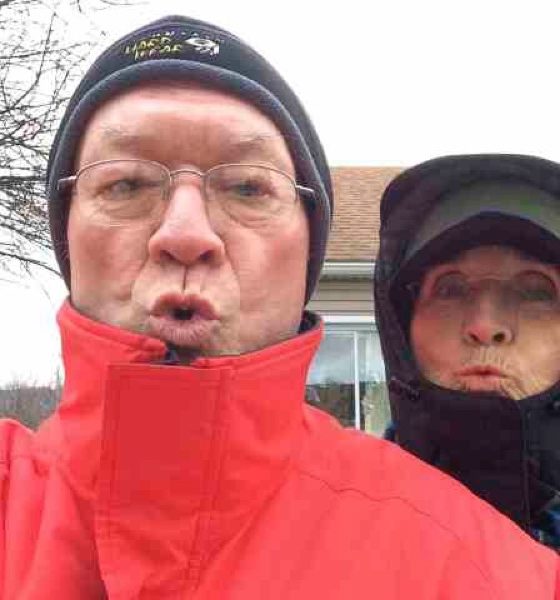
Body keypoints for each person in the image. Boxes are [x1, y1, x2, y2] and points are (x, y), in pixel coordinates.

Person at [3, 15, 558, 597]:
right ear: (67, 234)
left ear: (308, 253)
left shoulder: (503, 575)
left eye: (248, 187)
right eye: (126, 183)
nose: (185, 232)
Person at [375, 153, 560, 551]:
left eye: (536, 291)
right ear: (402, 329)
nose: (485, 325)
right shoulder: (335, 522)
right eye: (451, 289)